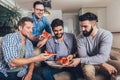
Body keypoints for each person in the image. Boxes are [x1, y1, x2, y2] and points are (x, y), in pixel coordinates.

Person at [68, 12, 120, 80]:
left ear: (94, 24)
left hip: (106, 61)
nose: (82, 29)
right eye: (81, 26)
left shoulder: (106, 35)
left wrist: (103, 62)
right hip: (88, 63)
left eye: (85, 26)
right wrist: (103, 64)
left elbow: (103, 57)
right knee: (87, 70)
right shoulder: (80, 38)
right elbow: (84, 57)